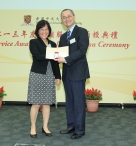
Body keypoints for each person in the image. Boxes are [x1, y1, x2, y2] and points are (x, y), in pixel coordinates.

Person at [54, 9, 90, 139]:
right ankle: (71, 126)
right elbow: (61, 54)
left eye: (69, 16)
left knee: (79, 102)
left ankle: (80, 130)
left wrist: (66, 59)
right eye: (64, 17)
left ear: (74, 17)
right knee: (69, 101)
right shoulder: (63, 37)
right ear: (62, 20)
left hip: (78, 73)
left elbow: (82, 51)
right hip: (67, 73)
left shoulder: (82, 32)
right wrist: (55, 57)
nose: (66, 19)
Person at [27, 20, 61, 138]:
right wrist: (51, 54)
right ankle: (33, 127)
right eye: (42, 29)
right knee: (36, 103)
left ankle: (45, 126)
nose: (44, 32)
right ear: (37, 31)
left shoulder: (53, 44)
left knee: (47, 103)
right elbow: (38, 56)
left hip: (50, 75)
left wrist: (58, 76)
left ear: (49, 31)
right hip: (37, 74)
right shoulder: (33, 42)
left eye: (46, 29)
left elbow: (56, 62)